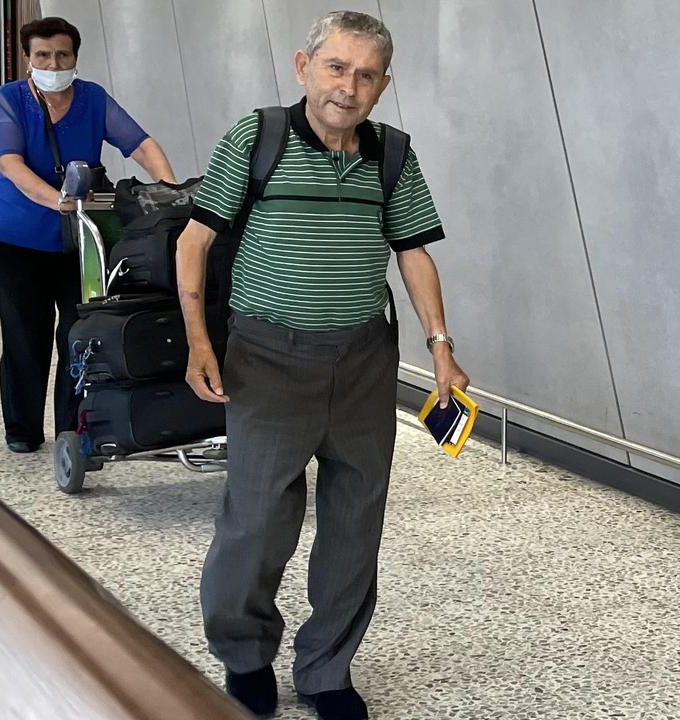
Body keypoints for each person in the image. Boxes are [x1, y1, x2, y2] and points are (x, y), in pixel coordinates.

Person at [175, 11, 468, 720]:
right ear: (304, 67)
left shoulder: (392, 153)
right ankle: (245, 655)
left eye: (366, 74)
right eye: (336, 67)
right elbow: (194, 240)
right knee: (256, 523)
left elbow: (413, 251)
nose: (349, 86)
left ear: (384, 85)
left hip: (364, 358)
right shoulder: (258, 137)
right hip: (269, 359)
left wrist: (440, 345)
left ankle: (327, 669)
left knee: (355, 519)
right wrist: (199, 341)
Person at [0, 17, 174, 454]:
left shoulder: (92, 99)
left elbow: (140, 144)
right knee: (24, 335)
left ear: (75, 58)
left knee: (77, 332)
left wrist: (168, 191)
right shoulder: (10, 98)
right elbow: (9, 162)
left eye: (62, 54)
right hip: (18, 236)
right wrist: (56, 200)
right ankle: (23, 430)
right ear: (28, 59)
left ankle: (73, 428)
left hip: (81, 236)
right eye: (44, 55)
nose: (54, 62)